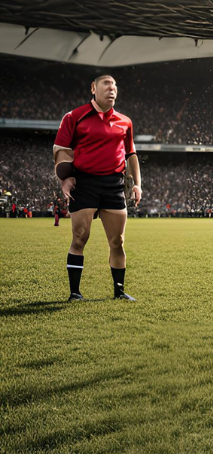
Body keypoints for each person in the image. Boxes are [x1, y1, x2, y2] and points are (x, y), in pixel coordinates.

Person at [53, 75, 142, 302]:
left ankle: (119, 292)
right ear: (93, 88)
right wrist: (64, 178)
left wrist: (137, 185)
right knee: (79, 238)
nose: (112, 89)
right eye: (106, 84)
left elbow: (131, 154)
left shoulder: (125, 121)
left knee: (117, 241)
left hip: (114, 185)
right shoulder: (75, 116)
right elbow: (61, 150)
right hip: (84, 183)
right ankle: (75, 293)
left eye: (114, 86)